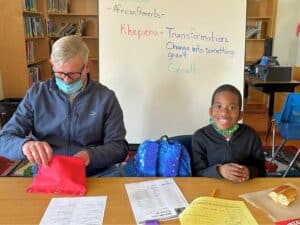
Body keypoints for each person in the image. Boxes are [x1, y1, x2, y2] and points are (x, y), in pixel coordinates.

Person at [0, 35, 128, 176]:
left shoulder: (105, 98)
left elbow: (119, 147)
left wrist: (90, 156)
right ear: (52, 64)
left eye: (74, 74)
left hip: (94, 172)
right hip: (50, 172)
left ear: (88, 67)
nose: (66, 81)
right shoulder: (36, 95)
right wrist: (23, 146)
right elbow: (4, 139)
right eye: (60, 74)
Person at [192, 84, 266, 182]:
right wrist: (219, 170)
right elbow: (197, 173)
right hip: (211, 190)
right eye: (219, 106)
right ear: (210, 111)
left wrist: (249, 172)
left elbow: (261, 170)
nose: (224, 113)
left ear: (240, 115)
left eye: (232, 108)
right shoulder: (200, 137)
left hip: (243, 188)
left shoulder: (251, 136)